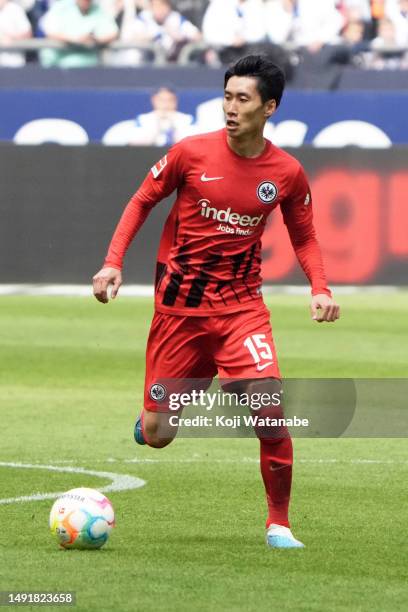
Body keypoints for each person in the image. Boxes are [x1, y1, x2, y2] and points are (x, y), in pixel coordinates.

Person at [93, 55, 340, 549]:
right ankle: (159, 414)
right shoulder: (190, 153)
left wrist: (320, 288)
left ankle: (279, 524)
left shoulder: (287, 173)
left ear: (269, 107)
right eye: (227, 96)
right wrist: (112, 261)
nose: (230, 107)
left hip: (241, 309)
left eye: (242, 99)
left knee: (269, 408)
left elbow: (305, 236)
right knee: (160, 433)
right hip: (179, 312)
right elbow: (142, 199)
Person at [39, 0, 118, 68]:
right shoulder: (61, 7)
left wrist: (95, 40)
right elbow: (49, 32)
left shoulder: (98, 9)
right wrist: (75, 40)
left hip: (89, 68)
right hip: (58, 67)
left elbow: (113, 33)